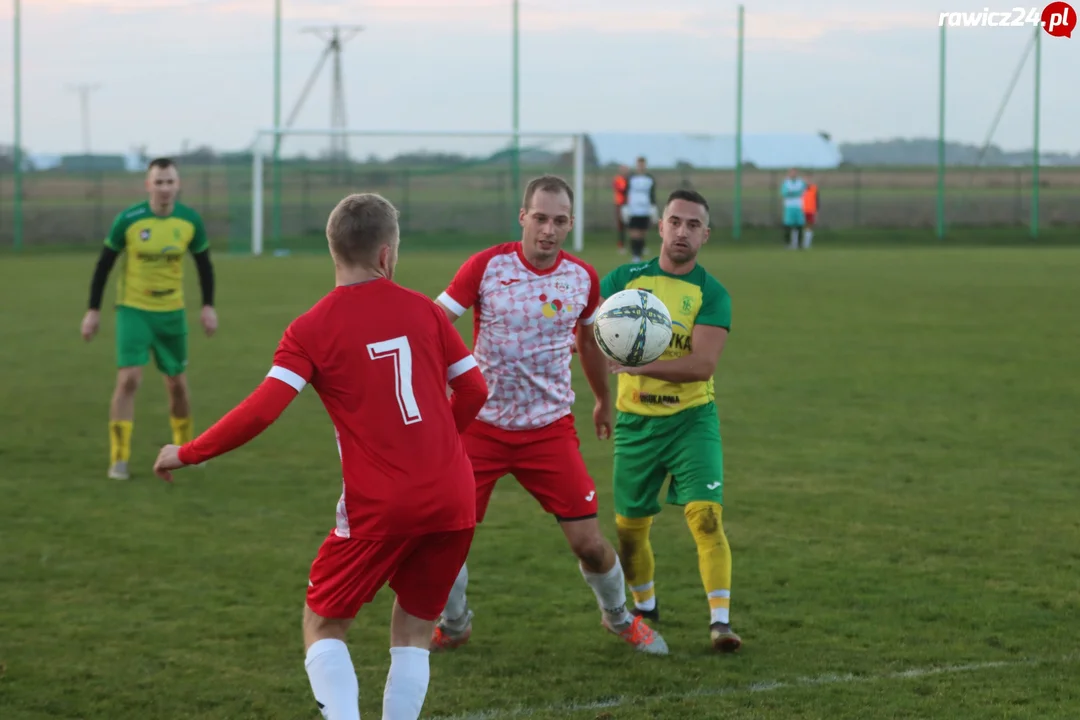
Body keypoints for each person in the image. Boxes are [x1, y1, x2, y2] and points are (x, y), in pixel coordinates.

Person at [152, 193, 490, 720]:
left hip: (381, 504)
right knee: (415, 628)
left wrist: (188, 452)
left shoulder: (309, 329)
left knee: (323, 623)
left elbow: (262, 412)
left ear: (333, 251)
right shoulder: (425, 310)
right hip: (453, 496)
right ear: (386, 255)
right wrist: (437, 445)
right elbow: (474, 390)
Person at [429, 174, 668, 656]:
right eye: (540, 218)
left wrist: (602, 399)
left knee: (589, 543)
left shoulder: (582, 278)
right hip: (480, 427)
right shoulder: (486, 266)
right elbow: (433, 323)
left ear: (571, 224)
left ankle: (619, 618)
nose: (548, 230)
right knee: (443, 538)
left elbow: (590, 343)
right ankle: (454, 623)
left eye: (559, 221)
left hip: (549, 429)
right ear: (523, 217)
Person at [600, 188, 742, 653]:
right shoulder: (622, 281)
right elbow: (589, 336)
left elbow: (702, 365)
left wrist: (640, 366)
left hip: (690, 419)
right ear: (660, 226)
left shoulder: (711, 292)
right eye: (675, 222)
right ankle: (644, 607)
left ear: (706, 235)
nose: (683, 232)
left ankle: (720, 622)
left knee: (705, 518)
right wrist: (603, 396)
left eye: (693, 225)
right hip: (634, 424)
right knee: (629, 529)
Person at [80, 157, 218, 480]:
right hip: (133, 310)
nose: (165, 188)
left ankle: (186, 451)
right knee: (129, 379)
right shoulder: (129, 220)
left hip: (172, 314)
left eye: (170, 181)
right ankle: (119, 459)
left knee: (178, 386)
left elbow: (204, 266)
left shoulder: (190, 222)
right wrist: (93, 310)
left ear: (178, 185)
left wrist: (208, 306)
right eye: (159, 182)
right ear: (148, 185)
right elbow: (104, 265)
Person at [620, 156, 658, 263]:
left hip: (645, 209)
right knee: (634, 233)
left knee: (642, 233)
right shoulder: (631, 178)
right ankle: (635, 255)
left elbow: (652, 194)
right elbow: (626, 193)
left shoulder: (649, 179)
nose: (641, 167)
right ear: (636, 165)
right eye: (639, 164)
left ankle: (640, 254)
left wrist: (653, 208)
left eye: (642, 165)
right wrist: (625, 207)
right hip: (633, 209)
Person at [780, 167, 807, 249]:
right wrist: (795, 193)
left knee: (799, 225)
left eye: (795, 172)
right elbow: (784, 193)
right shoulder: (786, 183)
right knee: (787, 225)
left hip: (799, 206)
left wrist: (791, 193)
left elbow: (802, 192)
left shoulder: (801, 182)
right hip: (789, 206)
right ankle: (787, 243)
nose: (793, 174)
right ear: (789, 173)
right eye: (791, 172)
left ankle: (799, 244)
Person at [612, 164, 629, 252]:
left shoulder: (629, 179)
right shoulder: (618, 179)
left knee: (631, 225)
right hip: (620, 204)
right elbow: (622, 190)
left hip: (629, 204)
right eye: (623, 169)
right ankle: (621, 245)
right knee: (621, 225)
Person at [802, 173, 820, 249]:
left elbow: (817, 200)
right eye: (806, 179)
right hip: (802, 210)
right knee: (800, 226)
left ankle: (807, 244)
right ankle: (798, 243)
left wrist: (816, 211)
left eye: (809, 179)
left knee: (809, 226)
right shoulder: (801, 188)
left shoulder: (814, 188)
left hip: (811, 210)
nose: (808, 181)